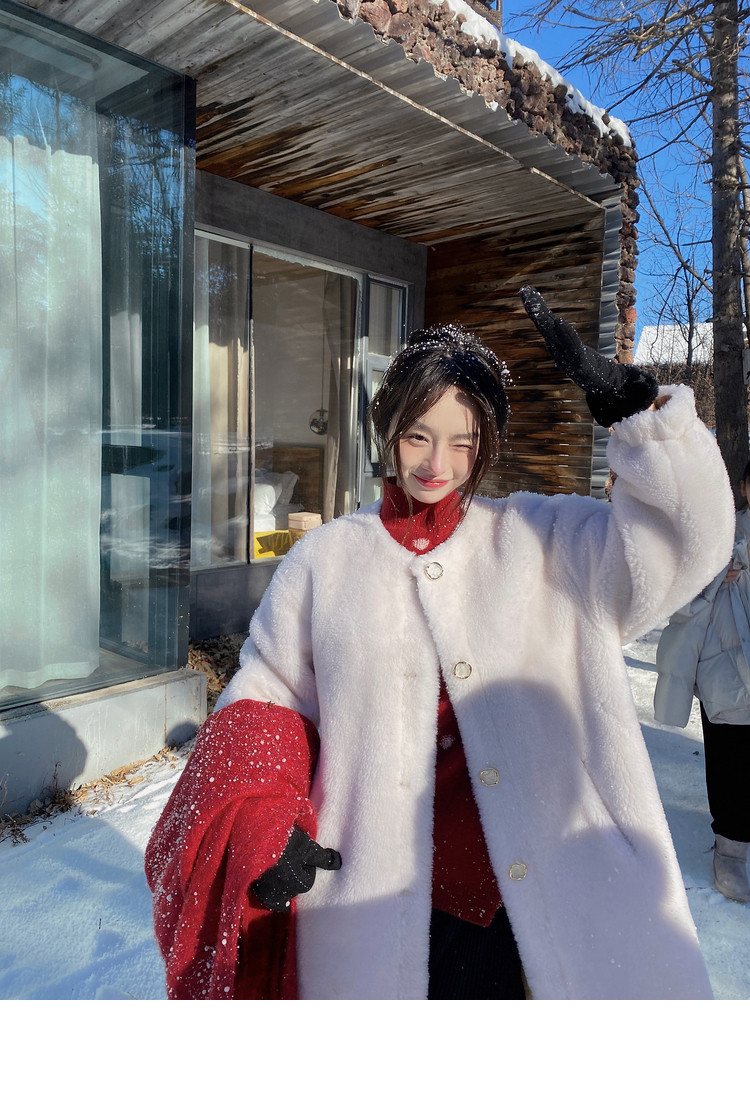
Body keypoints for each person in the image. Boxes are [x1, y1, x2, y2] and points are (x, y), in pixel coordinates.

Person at [145, 287, 735, 999]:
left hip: (552, 892)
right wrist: (266, 821)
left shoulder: (549, 540)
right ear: (387, 428)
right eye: (418, 435)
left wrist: (642, 420)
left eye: (464, 440)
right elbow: (266, 707)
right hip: (379, 897)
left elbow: (689, 544)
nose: (437, 462)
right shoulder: (325, 561)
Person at [655, 461, 750, 902]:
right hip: (724, 664)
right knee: (732, 759)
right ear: (744, 487)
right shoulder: (720, 537)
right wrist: (712, 576)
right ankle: (730, 851)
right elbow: (673, 596)